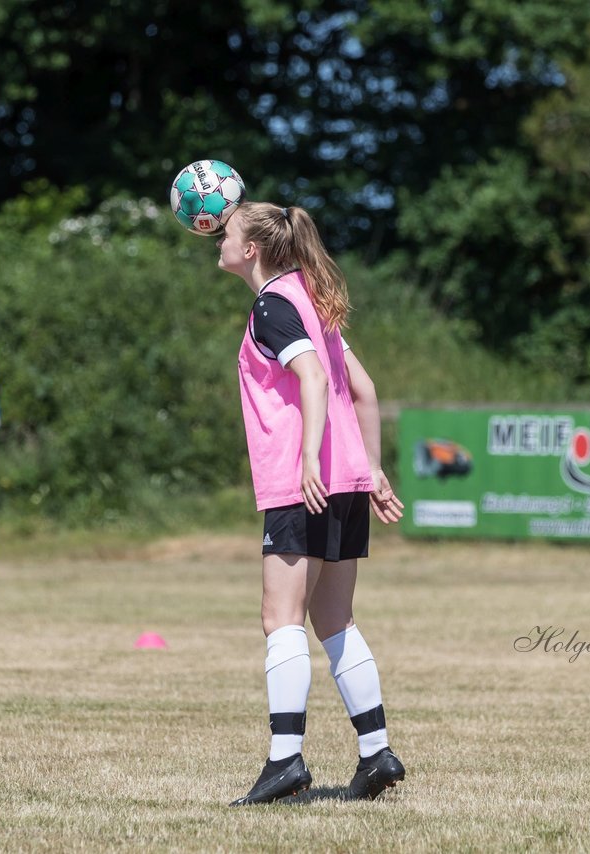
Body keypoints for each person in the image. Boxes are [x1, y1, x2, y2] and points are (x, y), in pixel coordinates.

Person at [215, 201, 407, 805]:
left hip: (307, 483)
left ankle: (284, 761)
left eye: (226, 232)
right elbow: (366, 388)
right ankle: (376, 753)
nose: (217, 239)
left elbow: (314, 379)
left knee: (281, 620)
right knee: (335, 621)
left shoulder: (273, 303)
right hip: (346, 480)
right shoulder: (311, 297)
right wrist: (371, 468)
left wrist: (305, 460)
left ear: (251, 250)